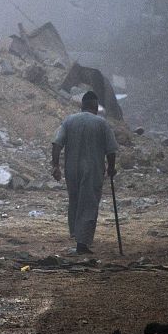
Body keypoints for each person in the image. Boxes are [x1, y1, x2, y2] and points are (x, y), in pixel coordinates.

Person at [50, 91, 119, 254]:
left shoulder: (69, 121)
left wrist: (55, 166)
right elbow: (111, 149)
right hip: (93, 170)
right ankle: (82, 243)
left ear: (82, 105)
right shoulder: (102, 123)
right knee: (88, 204)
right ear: (95, 106)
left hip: (72, 170)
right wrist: (111, 167)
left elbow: (56, 143)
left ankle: (76, 233)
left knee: (75, 201)